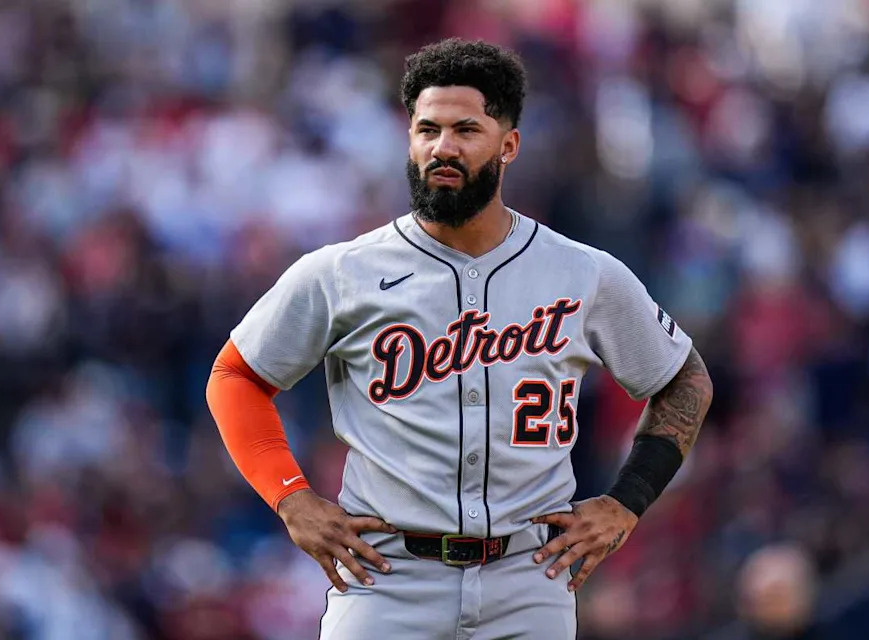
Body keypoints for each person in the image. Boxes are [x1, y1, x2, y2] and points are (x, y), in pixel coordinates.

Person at [206, 38, 713, 640]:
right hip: (388, 575)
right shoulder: (343, 271)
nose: (442, 147)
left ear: (509, 145)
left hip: (530, 576)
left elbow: (685, 379)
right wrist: (291, 498)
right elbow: (235, 376)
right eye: (427, 129)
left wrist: (626, 502)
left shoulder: (582, 272)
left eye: (465, 130)